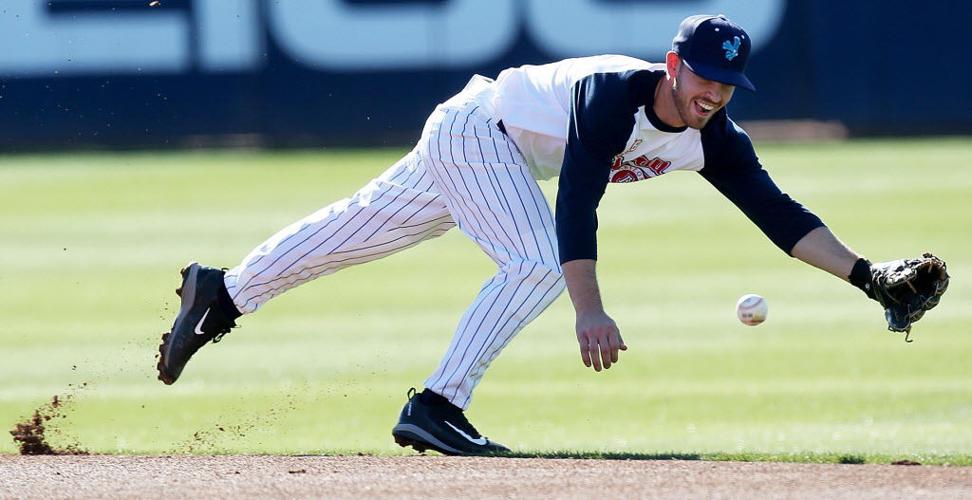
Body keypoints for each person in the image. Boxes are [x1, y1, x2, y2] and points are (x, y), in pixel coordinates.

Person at [156, 14, 943, 456]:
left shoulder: (715, 138)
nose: (713, 93)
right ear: (673, 64)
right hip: (479, 132)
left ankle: (224, 291)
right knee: (537, 263)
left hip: (490, 146)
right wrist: (587, 308)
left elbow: (780, 216)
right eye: (703, 75)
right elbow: (575, 204)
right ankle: (435, 405)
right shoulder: (615, 95)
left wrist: (867, 275)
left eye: (728, 83)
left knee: (359, 230)